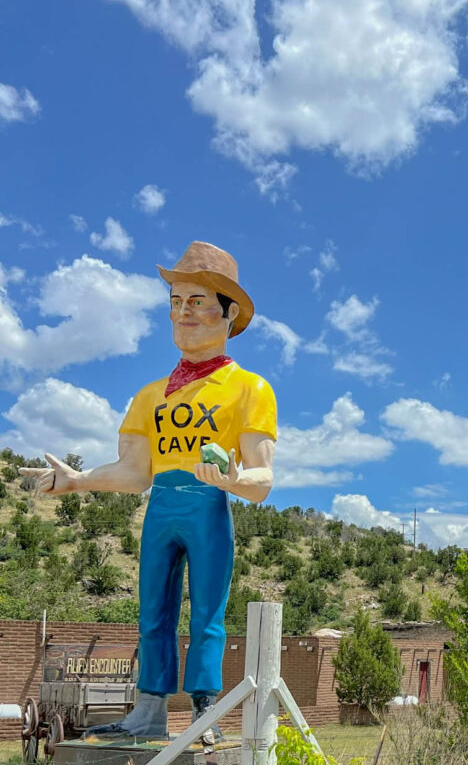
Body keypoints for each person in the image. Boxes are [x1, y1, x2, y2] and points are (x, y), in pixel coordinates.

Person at [20, 241, 277, 738]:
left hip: (208, 506)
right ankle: (148, 710)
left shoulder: (250, 389)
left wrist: (232, 479)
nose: (184, 312)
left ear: (228, 315)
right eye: (177, 301)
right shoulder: (148, 396)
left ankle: (205, 711)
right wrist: (77, 482)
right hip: (160, 506)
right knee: (152, 613)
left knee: (207, 613)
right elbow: (134, 472)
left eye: (198, 301)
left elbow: (263, 480)